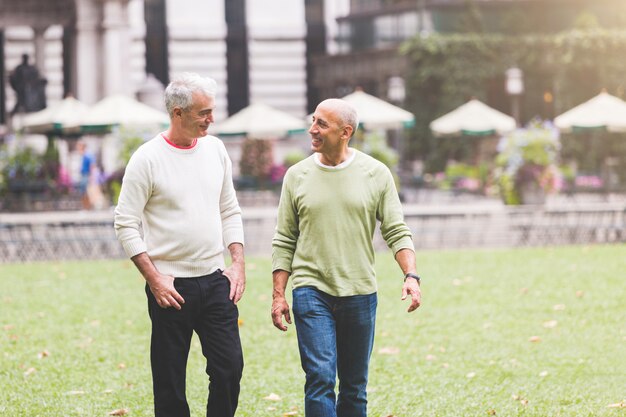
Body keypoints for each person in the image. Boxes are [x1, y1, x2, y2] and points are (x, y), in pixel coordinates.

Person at [271, 98, 422, 417]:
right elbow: (284, 238)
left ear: (345, 132)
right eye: (313, 120)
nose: (312, 129)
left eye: (321, 124)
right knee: (320, 379)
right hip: (311, 292)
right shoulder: (296, 176)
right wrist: (278, 295)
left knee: (354, 386)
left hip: (360, 293)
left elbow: (396, 230)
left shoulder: (376, 174)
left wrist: (411, 276)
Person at [114, 73, 246, 417]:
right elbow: (125, 222)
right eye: (203, 113)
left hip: (216, 280)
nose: (211, 119)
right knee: (170, 381)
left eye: (211, 111)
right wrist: (154, 279)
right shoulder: (147, 158)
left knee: (229, 368)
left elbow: (229, 209)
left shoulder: (216, 149)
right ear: (177, 113)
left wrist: (237, 263)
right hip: (169, 286)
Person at [76, 141, 94, 209]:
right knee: (83, 191)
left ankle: (87, 207)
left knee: (86, 191)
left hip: (86, 175)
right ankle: (85, 207)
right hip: (83, 174)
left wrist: (91, 175)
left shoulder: (87, 155)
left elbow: (92, 165)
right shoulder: (82, 156)